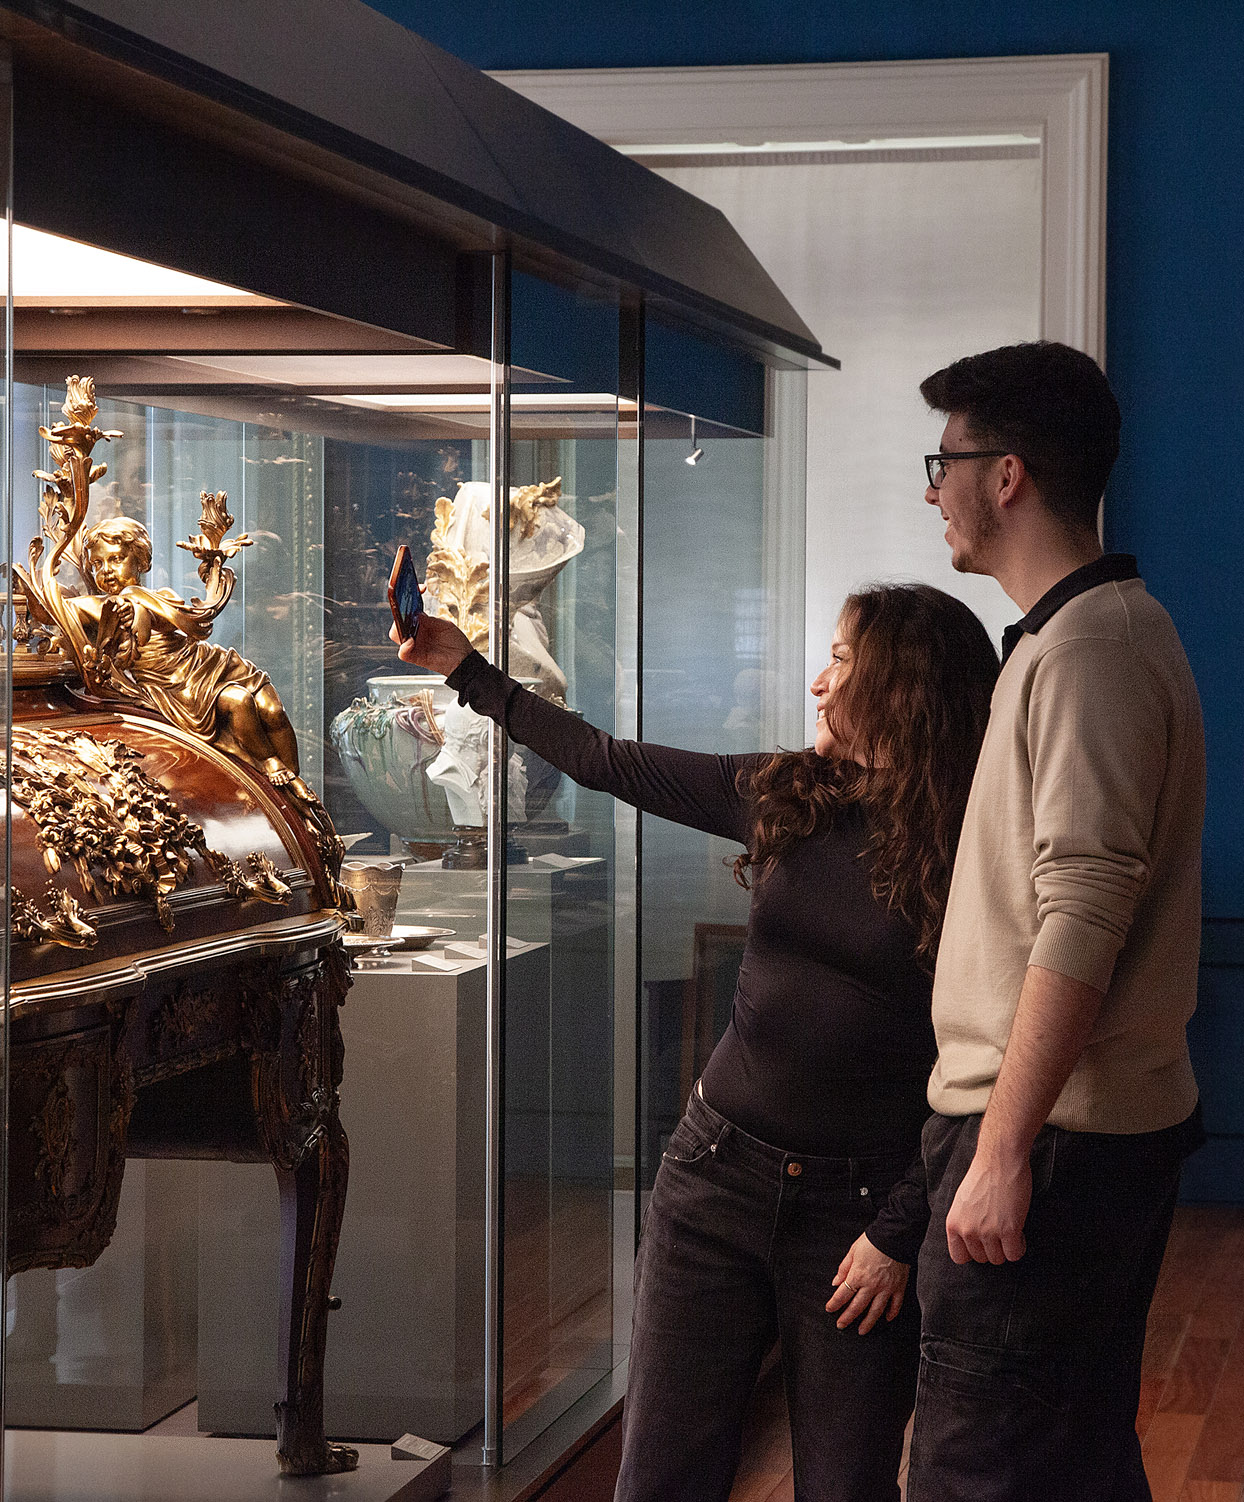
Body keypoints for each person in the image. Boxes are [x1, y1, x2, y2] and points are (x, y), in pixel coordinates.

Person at [395, 583, 1000, 1502]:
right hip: (715, 1178)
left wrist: (896, 1232)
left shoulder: (969, 847)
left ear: (902, 687)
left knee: (847, 1484)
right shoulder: (789, 793)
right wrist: (465, 670)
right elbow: (607, 760)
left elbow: (973, 1065)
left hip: (859, 1221)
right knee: (662, 1479)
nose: (818, 684)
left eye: (841, 662)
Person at [911, 340, 1206, 1501]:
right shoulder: (1078, 637)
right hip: (1063, 1135)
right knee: (1067, 1458)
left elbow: (1084, 911)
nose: (933, 488)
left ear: (1007, 475)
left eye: (944, 462)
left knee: (980, 1468)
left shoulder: (1091, 650)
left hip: (1050, 1138)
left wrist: (1000, 1150)